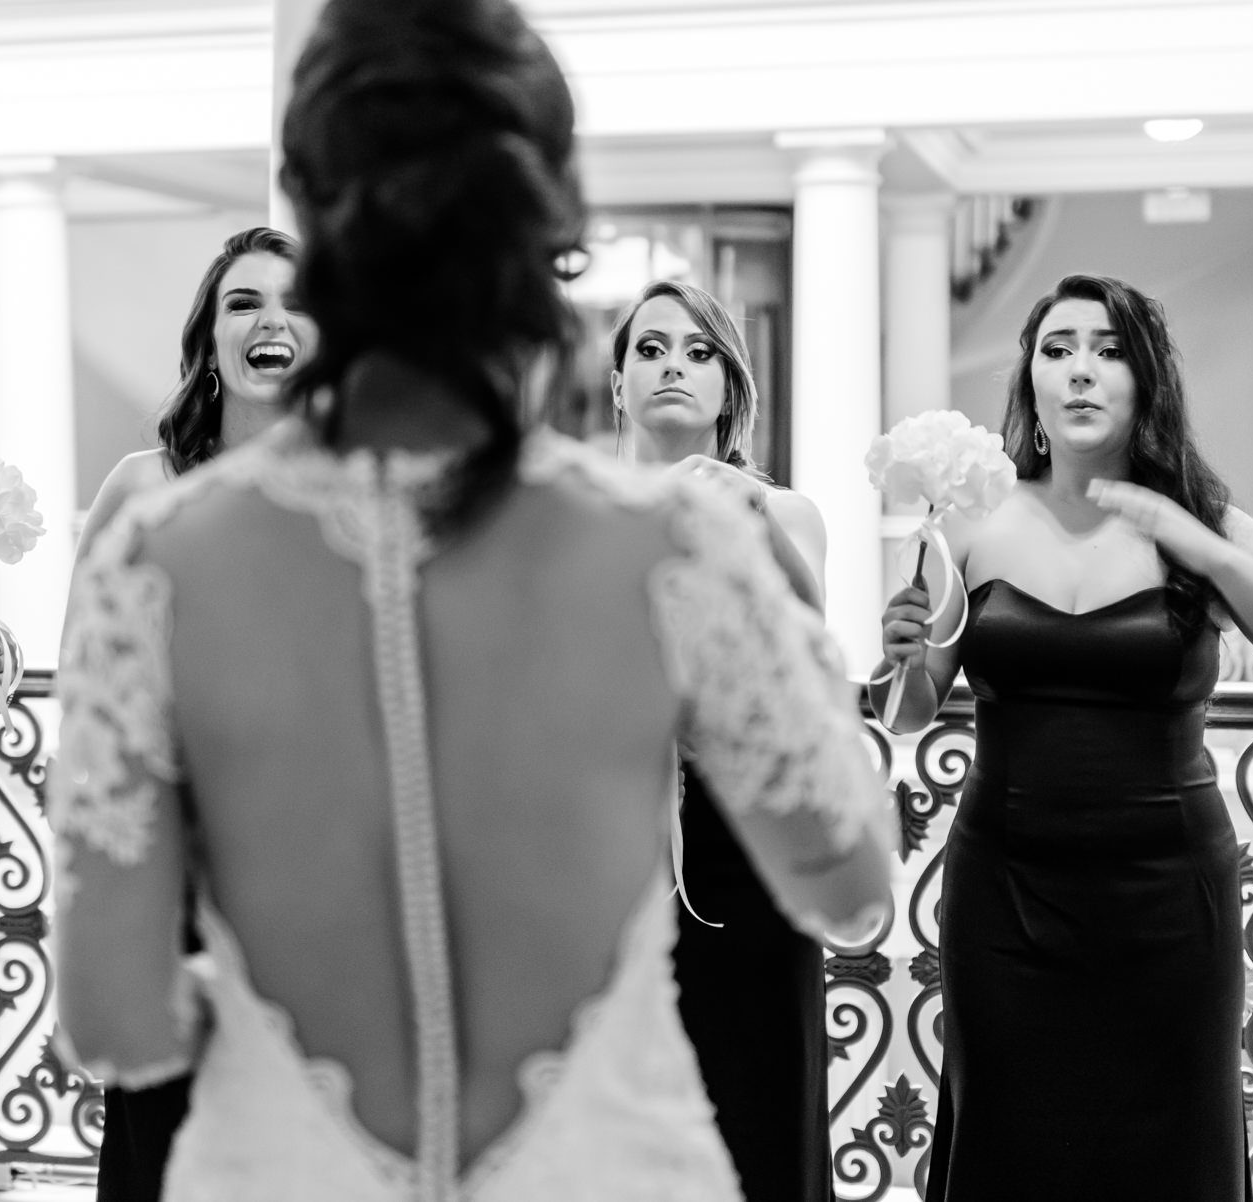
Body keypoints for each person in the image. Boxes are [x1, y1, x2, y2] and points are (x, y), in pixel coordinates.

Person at [49, 0, 896, 1198]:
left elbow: (114, 1022)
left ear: (315, 214)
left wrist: (263, 1019)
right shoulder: (676, 543)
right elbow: (851, 889)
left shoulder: (158, 557)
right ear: (550, 223)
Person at [871, 273, 1253, 1201]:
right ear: (1031, 381)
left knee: (1168, 1155)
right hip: (1003, 898)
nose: (1081, 371)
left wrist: (1202, 549)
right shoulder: (970, 523)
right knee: (1011, 1145)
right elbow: (909, 709)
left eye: (1108, 351)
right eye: (1057, 350)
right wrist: (896, 655)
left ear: (1147, 380)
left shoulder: (1204, 523)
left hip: (1169, 904)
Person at [72, 225, 317, 1202]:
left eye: (295, 302)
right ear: (210, 340)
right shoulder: (143, 486)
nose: (270, 322)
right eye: (243, 303)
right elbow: (88, 695)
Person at [611, 277, 835, 1200]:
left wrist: (750, 518)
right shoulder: (575, 517)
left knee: (757, 1116)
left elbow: (815, 659)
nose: (674, 366)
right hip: (610, 854)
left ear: (729, 389)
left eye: (699, 352)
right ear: (618, 382)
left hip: (743, 852)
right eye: (651, 348)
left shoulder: (784, 513)